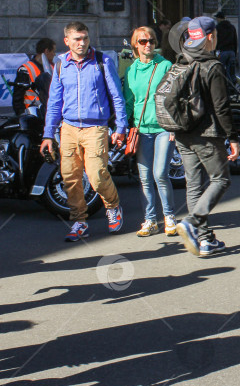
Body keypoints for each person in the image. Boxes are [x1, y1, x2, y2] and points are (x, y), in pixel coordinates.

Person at [40, 21, 128, 241]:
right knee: (70, 177)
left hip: (96, 127)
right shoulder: (60, 64)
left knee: (97, 175)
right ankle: (79, 221)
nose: (82, 43)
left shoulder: (102, 61)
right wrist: (48, 134)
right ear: (67, 41)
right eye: (77, 39)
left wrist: (121, 126)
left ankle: (112, 205)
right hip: (68, 127)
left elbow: (117, 96)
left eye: (85, 38)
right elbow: (54, 102)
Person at [174, 16, 239, 257]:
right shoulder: (212, 65)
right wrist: (232, 137)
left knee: (193, 185)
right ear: (210, 37)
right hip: (206, 134)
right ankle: (191, 222)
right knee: (221, 180)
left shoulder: (181, 60)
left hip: (182, 133)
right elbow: (221, 107)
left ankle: (204, 239)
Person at [123, 26, 177, 237]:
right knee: (145, 177)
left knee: (160, 173)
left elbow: (174, 98)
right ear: (135, 45)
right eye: (143, 41)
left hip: (163, 128)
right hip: (141, 129)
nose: (148, 45)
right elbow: (129, 101)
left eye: (152, 41)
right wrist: (124, 127)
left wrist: (174, 126)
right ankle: (150, 220)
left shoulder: (165, 66)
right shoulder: (131, 70)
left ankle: (169, 215)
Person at [12, 37, 56, 116]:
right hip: (32, 113)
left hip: (49, 112)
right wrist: (21, 114)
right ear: (46, 51)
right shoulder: (25, 69)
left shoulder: (53, 67)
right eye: (53, 51)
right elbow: (17, 97)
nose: (54, 54)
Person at [214, 11, 238, 83]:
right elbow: (235, 40)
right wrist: (235, 53)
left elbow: (215, 41)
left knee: (222, 72)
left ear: (219, 18)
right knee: (231, 72)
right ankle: (233, 87)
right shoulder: (232, 27)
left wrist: (215, 52)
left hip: (223, 52)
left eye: (217, 18)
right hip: (231, 52)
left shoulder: (217, 28)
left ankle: (224, 86)